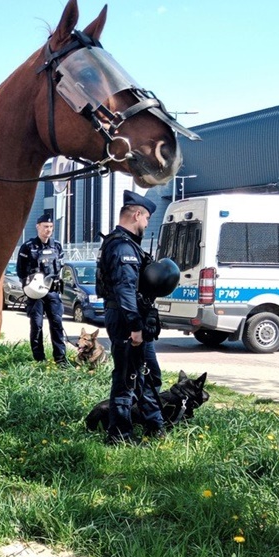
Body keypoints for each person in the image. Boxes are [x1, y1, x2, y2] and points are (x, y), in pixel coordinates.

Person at [97, 189, 165, 444]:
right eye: (146, 219)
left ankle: (154, 424)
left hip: (132, 317)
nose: (146, 224)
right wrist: (135, 326)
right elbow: (125, 290)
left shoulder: (125, 244)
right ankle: (119, 434)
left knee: (147, 373)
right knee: (128, 377)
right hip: (127, 319)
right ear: (137, 215)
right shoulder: (122, 247)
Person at [16, 212, 67, 365]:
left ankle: (60, 359)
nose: (48, 229)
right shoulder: (28, 247)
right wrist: (29, 285)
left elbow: (61, 268)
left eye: (51, 227)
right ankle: (39, 359)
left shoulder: (57, 246)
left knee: (57, 325)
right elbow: (20, 271)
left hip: (52, 292)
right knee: (37, 325)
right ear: (38, 227)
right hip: (35, 292)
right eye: (45, 226)